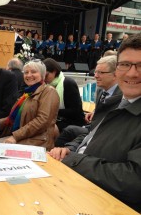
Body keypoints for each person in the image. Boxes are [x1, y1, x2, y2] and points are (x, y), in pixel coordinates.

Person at [49, 33, 141, 212]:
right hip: (76, 183)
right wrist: (69, 149)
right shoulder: (113, 101)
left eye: (140, 65)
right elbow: (91, 134)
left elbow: (135, 181)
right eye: (125, 64)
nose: (132, 73)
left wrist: (75, 160)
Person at [0, 60, 60, 150]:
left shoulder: (49, 91)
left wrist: (15, 136)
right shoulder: (28, 93)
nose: (29, 75)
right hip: (22, 139)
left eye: (33, 72)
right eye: (26, 72)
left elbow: (41, 121)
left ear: (42, 75)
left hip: (37, 143)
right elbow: (14, 118)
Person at [55, 55, 122, 147]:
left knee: (68, 132)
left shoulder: (124, 96)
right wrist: (95, 111)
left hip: (105, 135)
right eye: (96, 72)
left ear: (115, 74)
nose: (95, 76)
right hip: (92, 127)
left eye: (101, 72)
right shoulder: (100, 90)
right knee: (68, 131)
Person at [43, 58, 85, 134]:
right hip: (59, 120)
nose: (44, 79)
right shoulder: (47, 86)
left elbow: (75, 111)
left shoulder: (68, 83)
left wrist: (53, 112)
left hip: (72, 122)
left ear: (54, 71)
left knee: (47, 130)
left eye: (46, 75)